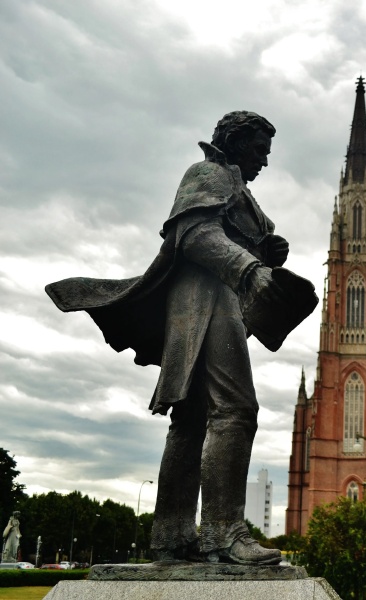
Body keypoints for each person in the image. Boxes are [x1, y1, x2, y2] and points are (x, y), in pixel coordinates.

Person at [46, 111, 317, 565]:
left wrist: (267, 251)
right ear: (235, 142)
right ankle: (225, 531)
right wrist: (248, 267)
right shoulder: (206, 172)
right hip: (204, 300)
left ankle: (172, 535)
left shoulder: (240, 192)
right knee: (235, 409)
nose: (264, 162)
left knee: (191, 419)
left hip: (218, 300)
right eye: (259, 151)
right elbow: (192, 234)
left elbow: (231, 234)